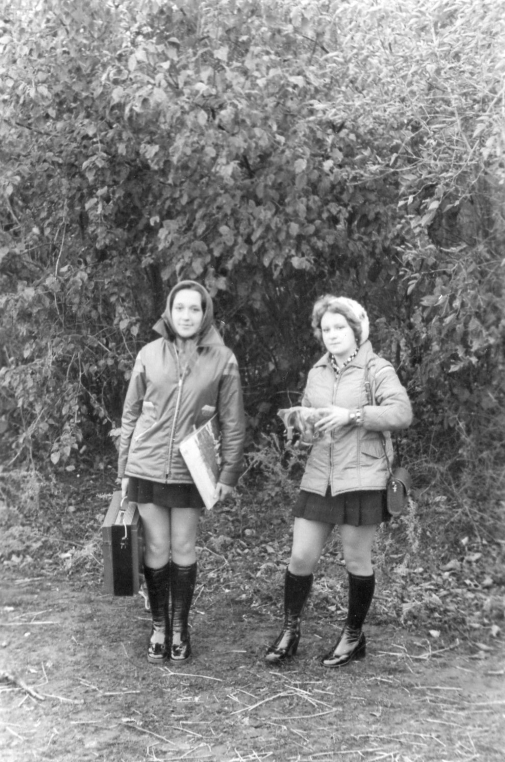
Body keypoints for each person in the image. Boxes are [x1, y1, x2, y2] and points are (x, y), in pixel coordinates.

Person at [266, 295, 412, 667]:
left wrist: (353, 415)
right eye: (326, 328)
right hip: (319, 476)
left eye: (339, 327)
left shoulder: (377, 369)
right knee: (300, 557)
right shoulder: (317, 372)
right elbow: (313, 417)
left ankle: (353, 636)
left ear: (356, 329)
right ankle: (290, 631)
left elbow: (401, 413)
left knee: (356, 561)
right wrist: (302, 424)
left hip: (362, 478)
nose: (332, 334)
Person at [118, 280, 245, 664]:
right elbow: (131, 413)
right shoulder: (149, 354)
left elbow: (233, 422)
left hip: (191, 469)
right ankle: (159, 627)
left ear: (205, 313)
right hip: (146, 465)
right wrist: (124, 468)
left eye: (194, 308)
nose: (186, 315)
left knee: (184, 546)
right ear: (169, 313)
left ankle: (180, 629)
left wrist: (228, 474)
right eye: (180, 308)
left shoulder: (223, 359)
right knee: (156, 546)